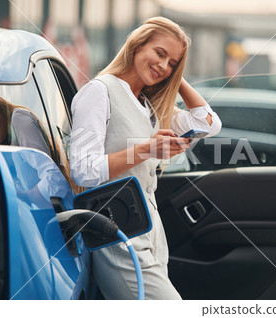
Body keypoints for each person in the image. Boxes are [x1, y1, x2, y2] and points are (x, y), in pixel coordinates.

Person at [70, 16, 221, 300]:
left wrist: (176, 79)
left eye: (172, 63)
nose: (163, 66)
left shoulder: (149, 105)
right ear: (136, 45)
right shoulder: (100, 91)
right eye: (159, 54)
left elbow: (209, 124)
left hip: (150, 228)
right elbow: (83, 170)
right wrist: (148, 149)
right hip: (117, 229)